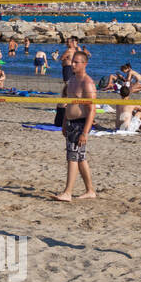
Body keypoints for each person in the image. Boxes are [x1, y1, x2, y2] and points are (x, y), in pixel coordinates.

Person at [55, 50, 96, 201]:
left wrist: (85, 132)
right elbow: (69, 103)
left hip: (80, 124)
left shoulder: (88, 83)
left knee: (72, 158)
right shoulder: (72, 80)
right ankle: (90, 190)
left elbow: (92, 111)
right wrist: (65, 122)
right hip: (71, 122)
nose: (72, 64)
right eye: (72, 61)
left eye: (76, 62)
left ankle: (68, 192)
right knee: (80, 158)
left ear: (84, 64)